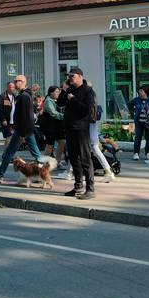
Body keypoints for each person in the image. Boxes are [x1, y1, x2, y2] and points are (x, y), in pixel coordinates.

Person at [0, 75, 44, 183]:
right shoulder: (24, 95)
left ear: (22, 82)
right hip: (26, 129)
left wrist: (22, 134)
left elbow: (25, 116)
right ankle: (41, 175)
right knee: (36, 153)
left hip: (23, 130)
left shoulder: (24, 96)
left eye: (16, 81)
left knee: (10, 152)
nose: (14, 83)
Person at [60, 67, 96, 200]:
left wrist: (73, 99)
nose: (70, 78)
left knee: (85, 158)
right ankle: (78, 186)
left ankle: (90, 189)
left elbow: (86, 110)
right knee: (73, 158)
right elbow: (60, 103)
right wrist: (64, 90)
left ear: (80, 76)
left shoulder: (88, 91)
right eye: (69, 76)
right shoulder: (70, 89)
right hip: (69, 128)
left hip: (81, 129)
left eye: (72, 76)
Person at [40, 86, 66, 165]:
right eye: (56, 92)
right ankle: (42, 164)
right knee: (50, 145)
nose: (58, 93)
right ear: (51, 93)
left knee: (62, 142)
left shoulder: (53, 100)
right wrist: (65, 116)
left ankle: (57, 162)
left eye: (58, 92)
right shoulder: (48, 101)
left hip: (55, 127)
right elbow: (53, 113)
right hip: (50, 127)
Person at [90, 103, 115, 182]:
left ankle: (69, 172)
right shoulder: (92, 99)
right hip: (91, 128)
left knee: (77, 149)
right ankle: (108, 172)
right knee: (95, 149)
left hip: (86, 127)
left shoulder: (85, 98)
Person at [129, 86, 149, 161]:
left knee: (148, 138)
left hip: (148, 122)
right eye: (138, 91)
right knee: (138, 138)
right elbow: (129, 105)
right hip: (139, 122)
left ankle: (148, 153)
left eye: (141, 91)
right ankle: (136, 153)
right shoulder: (136, 100)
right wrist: (133, 113)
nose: (139, 92)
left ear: (145, 91)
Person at [0, 81, 16, 146]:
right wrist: (3, 119)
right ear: (7, 87)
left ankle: (6, 149)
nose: (13, 88)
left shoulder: (14, 96)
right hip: (6, 120)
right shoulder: (2, 96)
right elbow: (0, 109)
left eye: (14, 87)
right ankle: (7, 150)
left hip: (13, 119)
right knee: (9, 135)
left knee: (10, 136)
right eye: (11, 87)